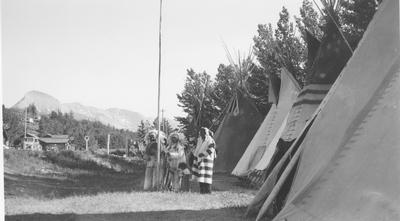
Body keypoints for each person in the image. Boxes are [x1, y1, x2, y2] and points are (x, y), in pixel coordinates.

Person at [192, 127, 216, 194]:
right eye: (201, 132)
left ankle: (208, 191)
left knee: (207, 177)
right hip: (200, 160)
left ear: (206, 132)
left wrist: (203, 154)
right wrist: (195, 153)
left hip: (207, 161)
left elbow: (211, 149)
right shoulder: (199, 140)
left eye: (204, 132)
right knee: (201, 176)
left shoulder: (210, 140)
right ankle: (202, 191)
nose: (202, 133)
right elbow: (197, 149)